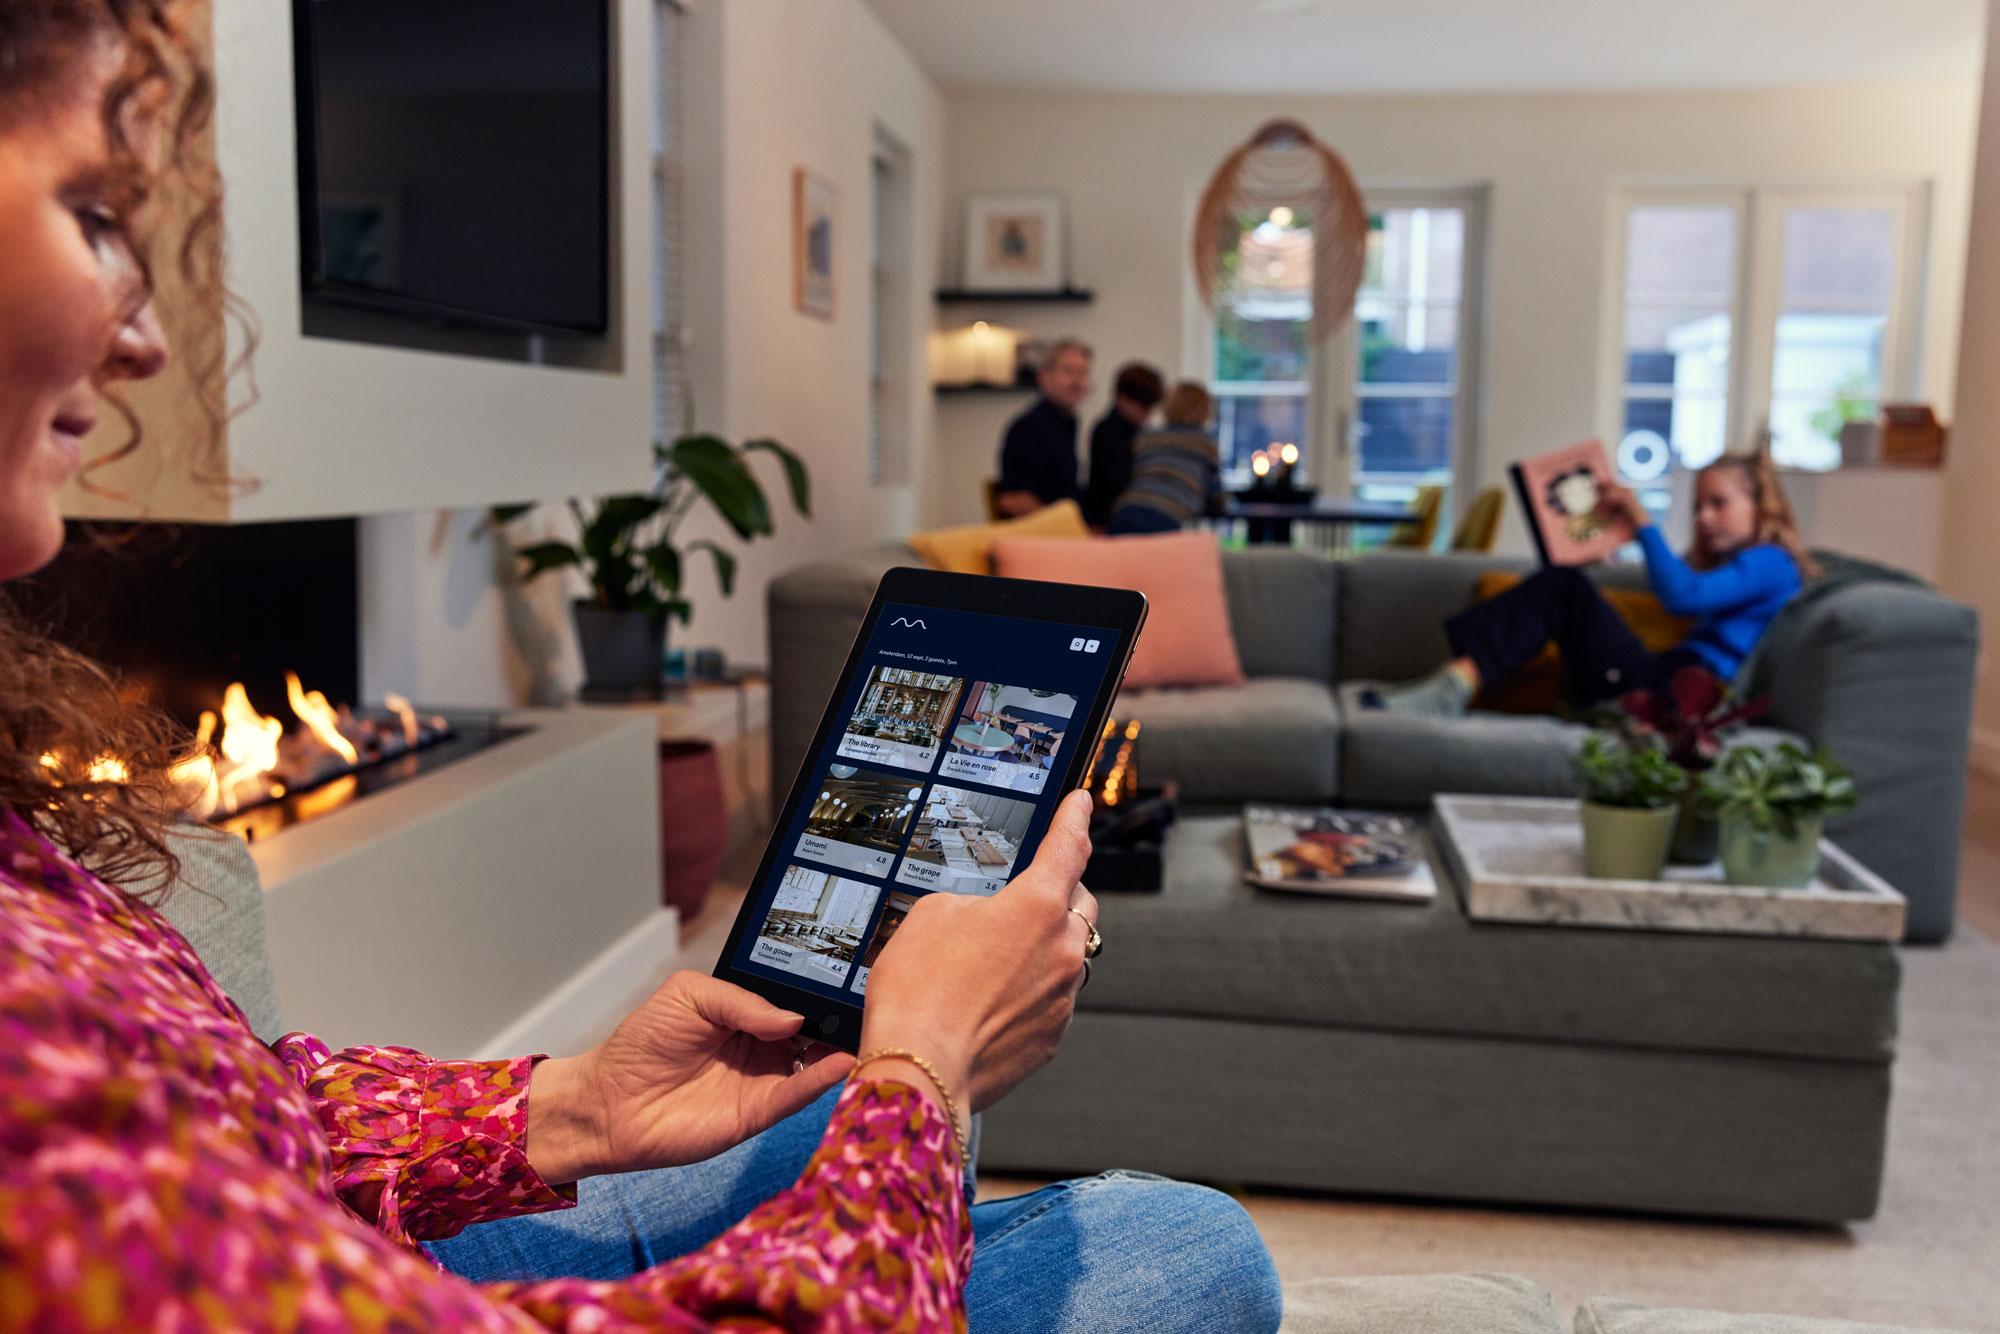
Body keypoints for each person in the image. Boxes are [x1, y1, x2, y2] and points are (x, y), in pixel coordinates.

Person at [0, 6, 1284, 1330]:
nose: (146, 333)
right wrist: (926, 1069)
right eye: (95, 212)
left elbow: (226, 1128)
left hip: (326, 1248)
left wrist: (569, 1103)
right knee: (1185, 1244)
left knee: (827, 1096)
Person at [1365, 454, 1813, 716]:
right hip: (1666, 682)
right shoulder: (1744, 568)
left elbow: (1682, 595)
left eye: (1719, 504)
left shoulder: (1771, 562)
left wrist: (1640, 520)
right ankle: (1457, 680)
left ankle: (1456, 684)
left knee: (1564, 587)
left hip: (1679, 698)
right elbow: (1681, 583)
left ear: (1761, 505)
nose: (1704, 518)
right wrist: (1612, 550)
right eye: (1698, 507)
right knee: (1566, 590)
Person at [1106, 381, 1225, 536]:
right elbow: (1216, 494)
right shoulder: (1205, 443)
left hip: (1126, 510)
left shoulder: (1147, 435)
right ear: (1205, 410)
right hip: (1169, 514)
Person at [994, 338, 1091, 517]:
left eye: (1083, 372)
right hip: (1041, 537)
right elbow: (1012, 499)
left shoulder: (1068, 424)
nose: (1077, 381)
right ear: (1044, 377)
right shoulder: (1027, 428)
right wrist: (1065, 528)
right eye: (1069, 371)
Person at [1081, 360, 1165, 527]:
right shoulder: (1107, 431)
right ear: (1122, 398)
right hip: (1105, 521)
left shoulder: (1138, 432)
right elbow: (1116, 484)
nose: (1147, 413)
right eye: (1142, 405)